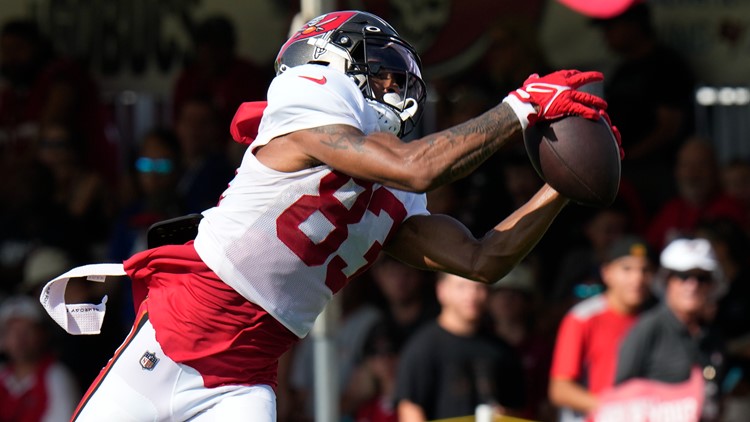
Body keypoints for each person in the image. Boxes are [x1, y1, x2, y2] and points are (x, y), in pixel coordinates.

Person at [38, 10, 615, 421]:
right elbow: (419, 167)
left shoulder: (392, 183)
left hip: (245, 378)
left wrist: (562, 186)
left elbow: (483, 259)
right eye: (382, 74)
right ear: (327, 61)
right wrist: (522, 105)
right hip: (175, 338)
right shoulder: (305, 109)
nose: (394, 91)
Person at [593, 1, 695, 215]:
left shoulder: (666, 64)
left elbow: (669, 126)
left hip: (656, 171)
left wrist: (629, 155)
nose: (605, 35)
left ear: (634, 25)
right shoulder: (623, 70)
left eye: (611, 27)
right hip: (624, 169)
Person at [615, 237, 728, 422]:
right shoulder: (648, 328)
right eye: (682, 276)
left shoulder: (713, 335)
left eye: (701, 278)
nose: (692, 285)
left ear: (712, 285)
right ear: (666, 280)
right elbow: (620, 399)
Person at [548, 235, 654, 422]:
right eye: (627, 269)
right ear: (607, 273)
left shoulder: (657, 319)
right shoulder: (583, 318)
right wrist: (613, 409)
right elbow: (560, 389)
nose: (637, 278)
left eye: (645, 270)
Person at [395, 272, 526, 421]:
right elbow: (410, 409)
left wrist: (504, 415)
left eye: (479, 286)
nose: (472, 295)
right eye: (461, 286)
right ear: (441, 290)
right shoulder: (423, 347)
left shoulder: (501, 350)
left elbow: (516, 408)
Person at [646, 137, 746, 251]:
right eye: (686, 165)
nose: (692, 174)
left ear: (715, 169)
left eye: (701, 165)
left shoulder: (731, 209)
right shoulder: (670, 210)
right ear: (676, 171)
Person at [0, 295, 79, 422]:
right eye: (12, 332)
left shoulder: (57, 376)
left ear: (43, 334)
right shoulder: (2, 375)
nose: (19, 339)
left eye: (27, 331)